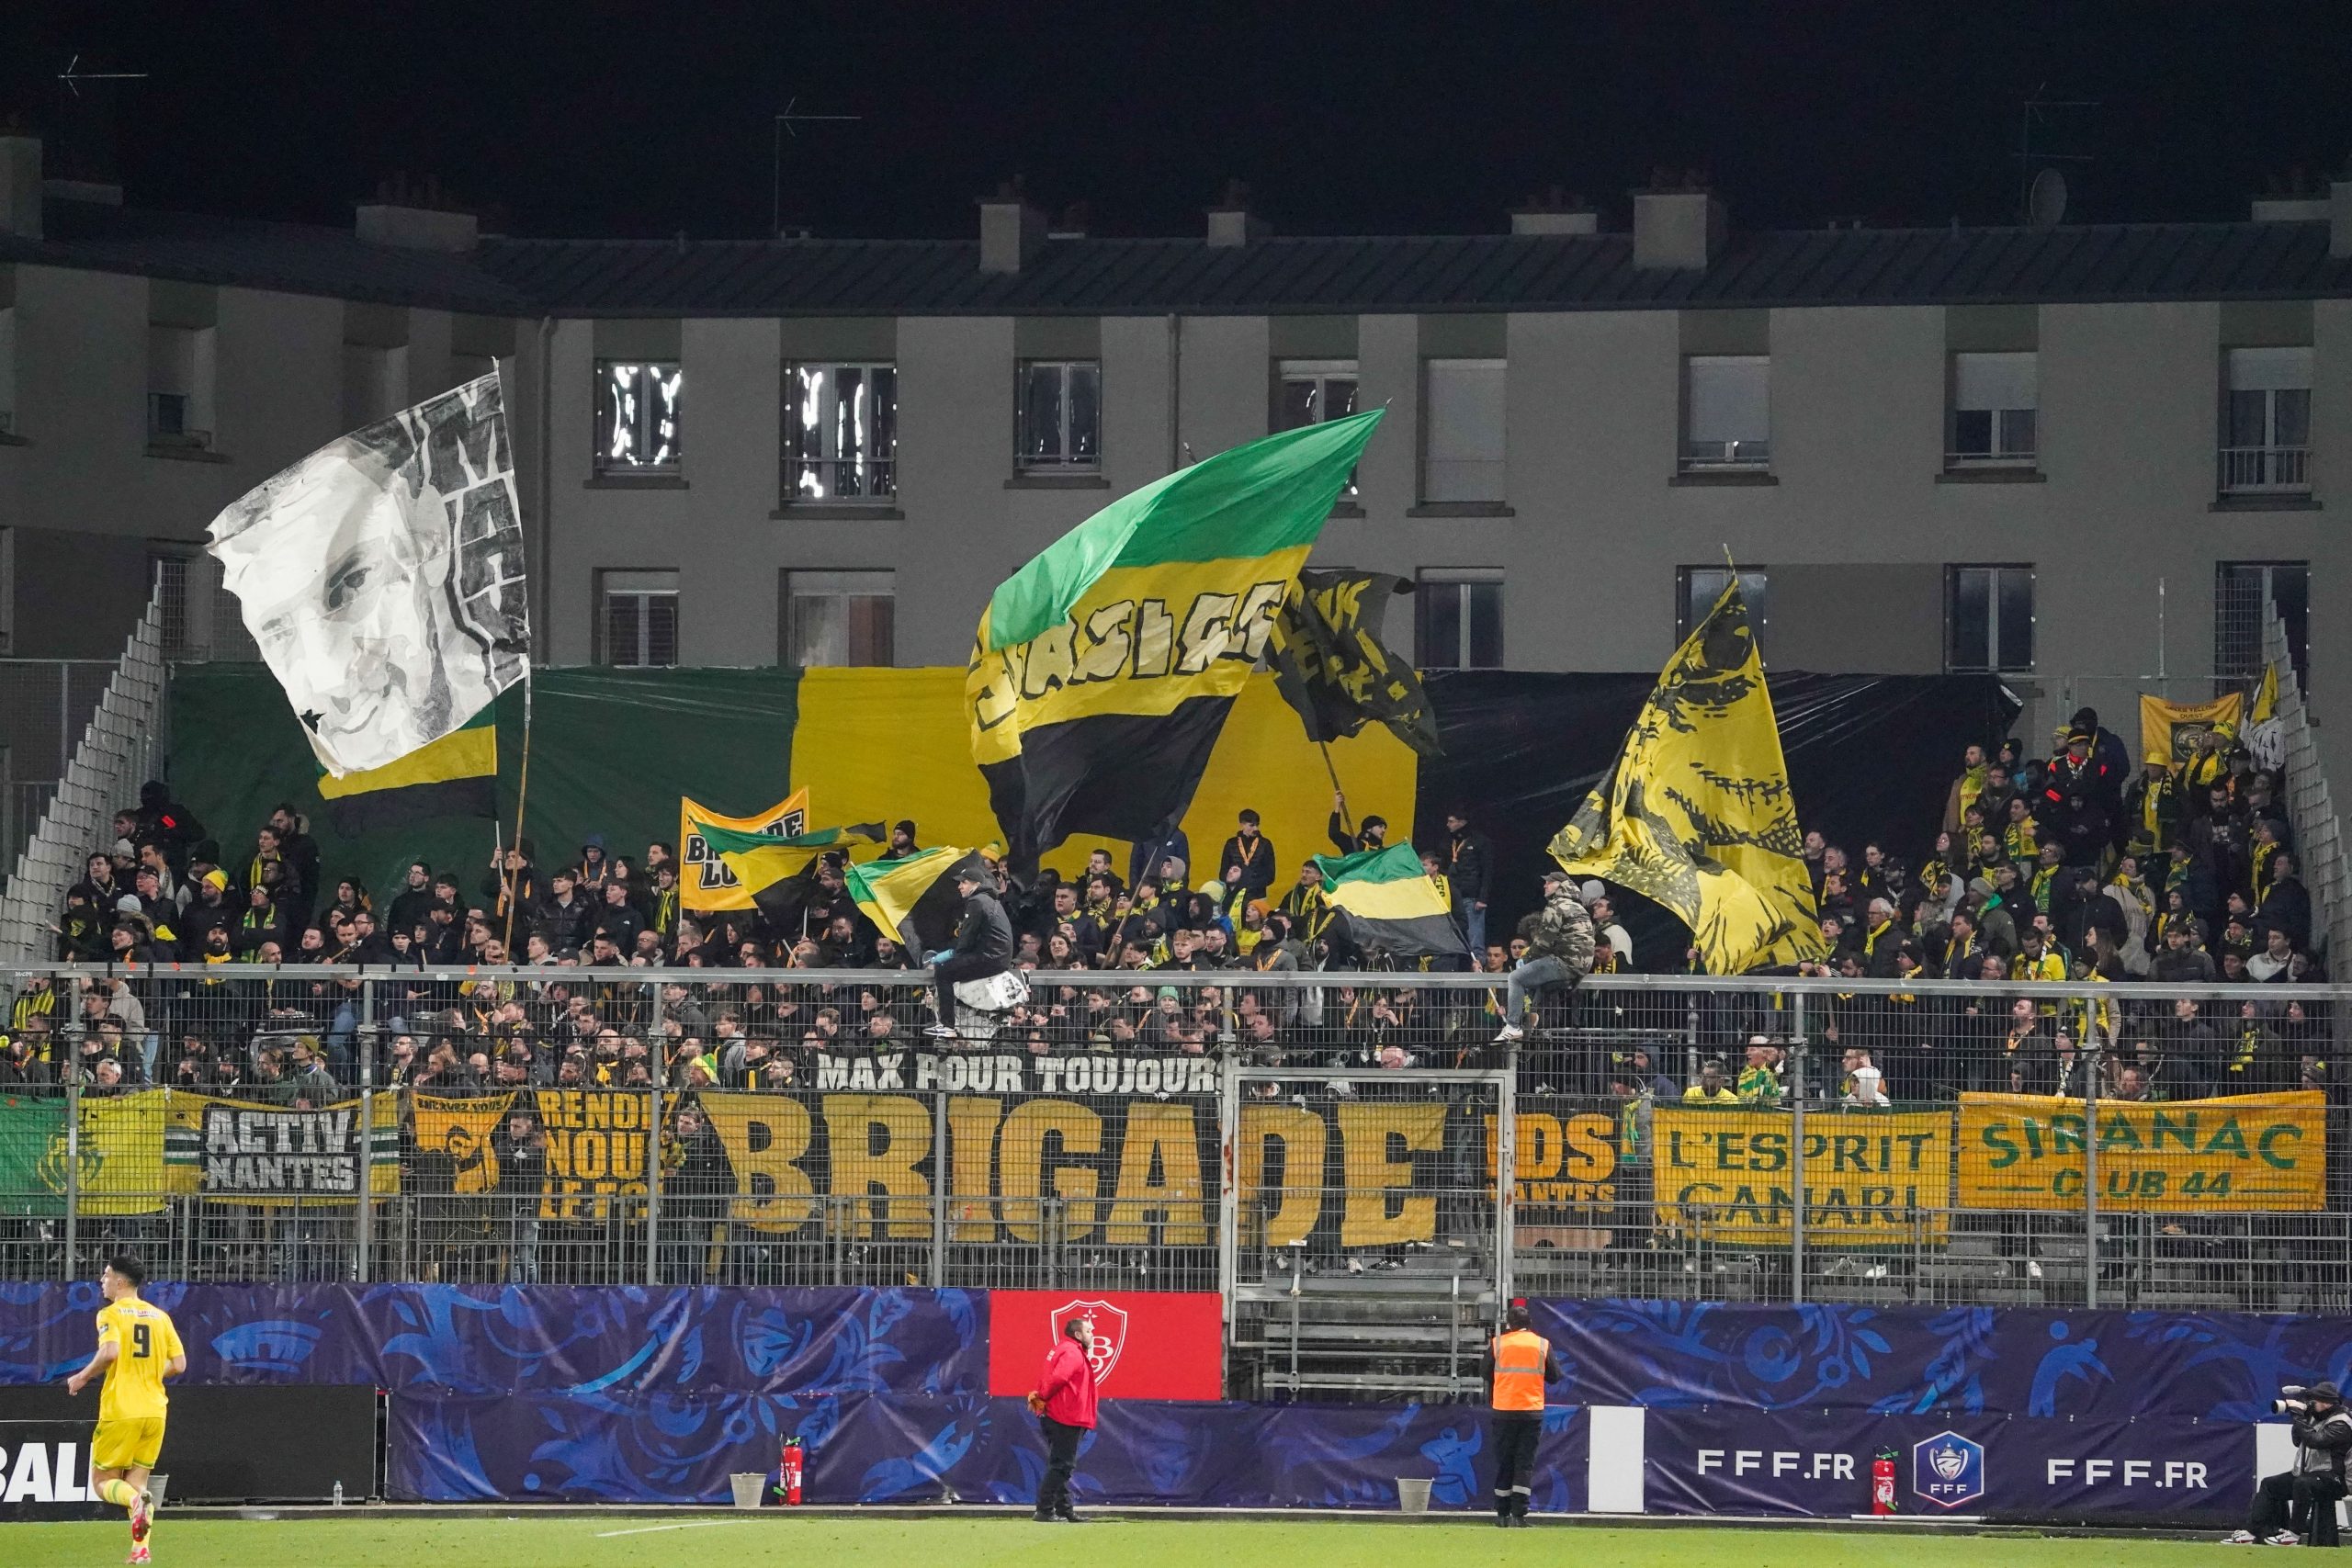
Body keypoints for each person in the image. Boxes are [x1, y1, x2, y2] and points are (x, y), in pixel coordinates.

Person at [63, 1253, 185, 1564]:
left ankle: (135, 1502)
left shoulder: (111, 1314)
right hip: (155, 1410)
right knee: (139, 1484)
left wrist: (82, 1376)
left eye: (105, 1275)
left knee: (103, 1483)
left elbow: (110, 1352)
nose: (101, 1281)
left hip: (121, 1409)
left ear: (120, 1281)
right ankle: (140, 1549)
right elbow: (180, 1364)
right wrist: (151, 1371)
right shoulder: (160, 1317)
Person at [2227, 1382, 2352, 1546]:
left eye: (2315, 1401)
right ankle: (2251, 1532)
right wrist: (2302, 1416)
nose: (2312, 1404)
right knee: (2270, 1485)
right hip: (2311, 1474)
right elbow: (2297, 1440)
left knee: (2302, 1483)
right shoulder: (2315, 1416)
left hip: (2336, 1479)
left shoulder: (2341, 1422)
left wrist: (2299, 1415)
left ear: (2327, 1403)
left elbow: (2316, 1441)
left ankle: (2293, 1535)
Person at [1492, 869, 1594, 1044]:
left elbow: (1543, 942)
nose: (1545, 885)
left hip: (1565, 963)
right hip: (1581, 967)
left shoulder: (1556, 906)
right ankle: (1533, 1018)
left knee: (1516, 978)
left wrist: (1525, 959)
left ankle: (1512, 1027)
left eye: (1549, 882)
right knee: (1537, 980)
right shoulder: (1578, 907)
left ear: (1560, 886)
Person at [1484, 1300, 1561, 1527]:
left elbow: (1484, 1372)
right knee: (1524, 1464)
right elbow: (1555, 1376)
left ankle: (1501, 1515)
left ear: (1509, 1324)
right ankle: (1519, 1515)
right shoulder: (1542, 1344)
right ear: (1530, 1324)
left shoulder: (1498, 1344)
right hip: (1530, 1412)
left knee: (1504, 1462)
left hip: (1504, 1410)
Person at [923, 862, 1015, 1040]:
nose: (959, 886)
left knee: (944, 971)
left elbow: (966, 940)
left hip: (990, 958)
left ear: (976, 884)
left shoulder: (976, 901)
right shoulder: (991, 901)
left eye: (964, 882)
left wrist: (943, 958)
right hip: (997, 957)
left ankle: (946, 1025)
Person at [1027, 1313, 1099, 1523]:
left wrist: (1041, 1398)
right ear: (1078, 1334)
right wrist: (1042, 1396)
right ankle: (1045, 1510)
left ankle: (1064, 1509)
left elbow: (1051, 1377)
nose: (1092, 1334)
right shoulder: (1073, 1353)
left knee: (1060, 1464)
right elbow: (1058, 1378)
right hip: (1066, 1416)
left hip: (1057, 1415)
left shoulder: (1063, 1349)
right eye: (1088, 1331)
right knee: (1062, 1466)